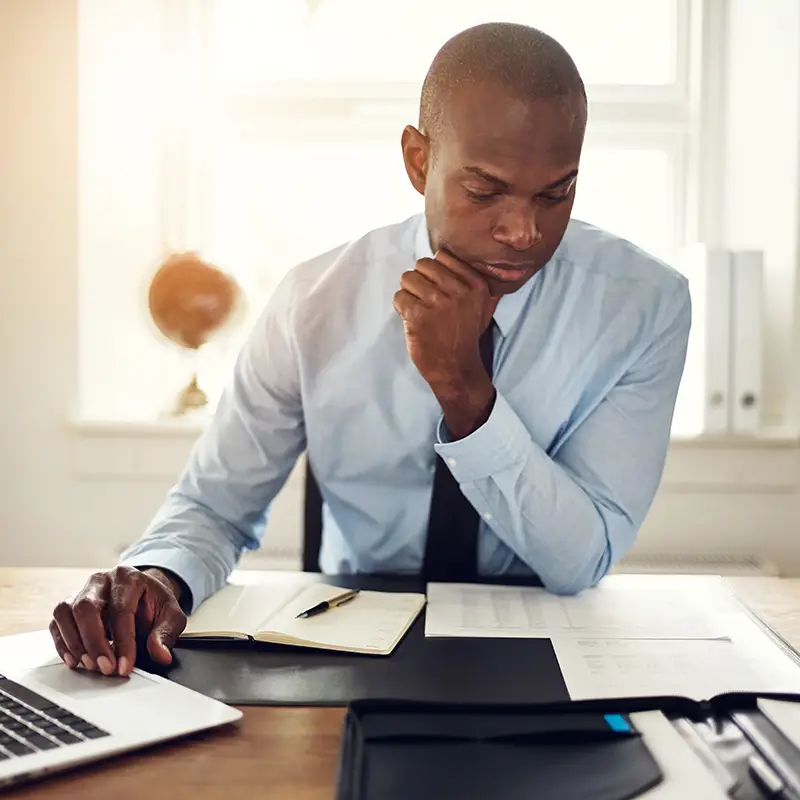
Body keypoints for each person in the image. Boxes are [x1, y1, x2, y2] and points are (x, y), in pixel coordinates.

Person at [49, 22, 691, 678]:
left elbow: (580, 561)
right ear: (418, 161)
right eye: (484, 191)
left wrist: (465, 393)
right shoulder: (313, 303)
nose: (523, 231)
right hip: (343, 645)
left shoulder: (644, 307)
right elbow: (215, 506)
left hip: (550, 648)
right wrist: (158, 577)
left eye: (555, 194)